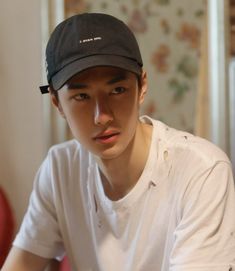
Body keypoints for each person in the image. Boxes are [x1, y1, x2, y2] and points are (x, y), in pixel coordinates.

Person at [2, 12, 235, 271]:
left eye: (117, 90)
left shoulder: (201, 170)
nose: (102, 116)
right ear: (57, 102)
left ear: (142, 86)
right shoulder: (60, 168)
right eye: (81, 96)